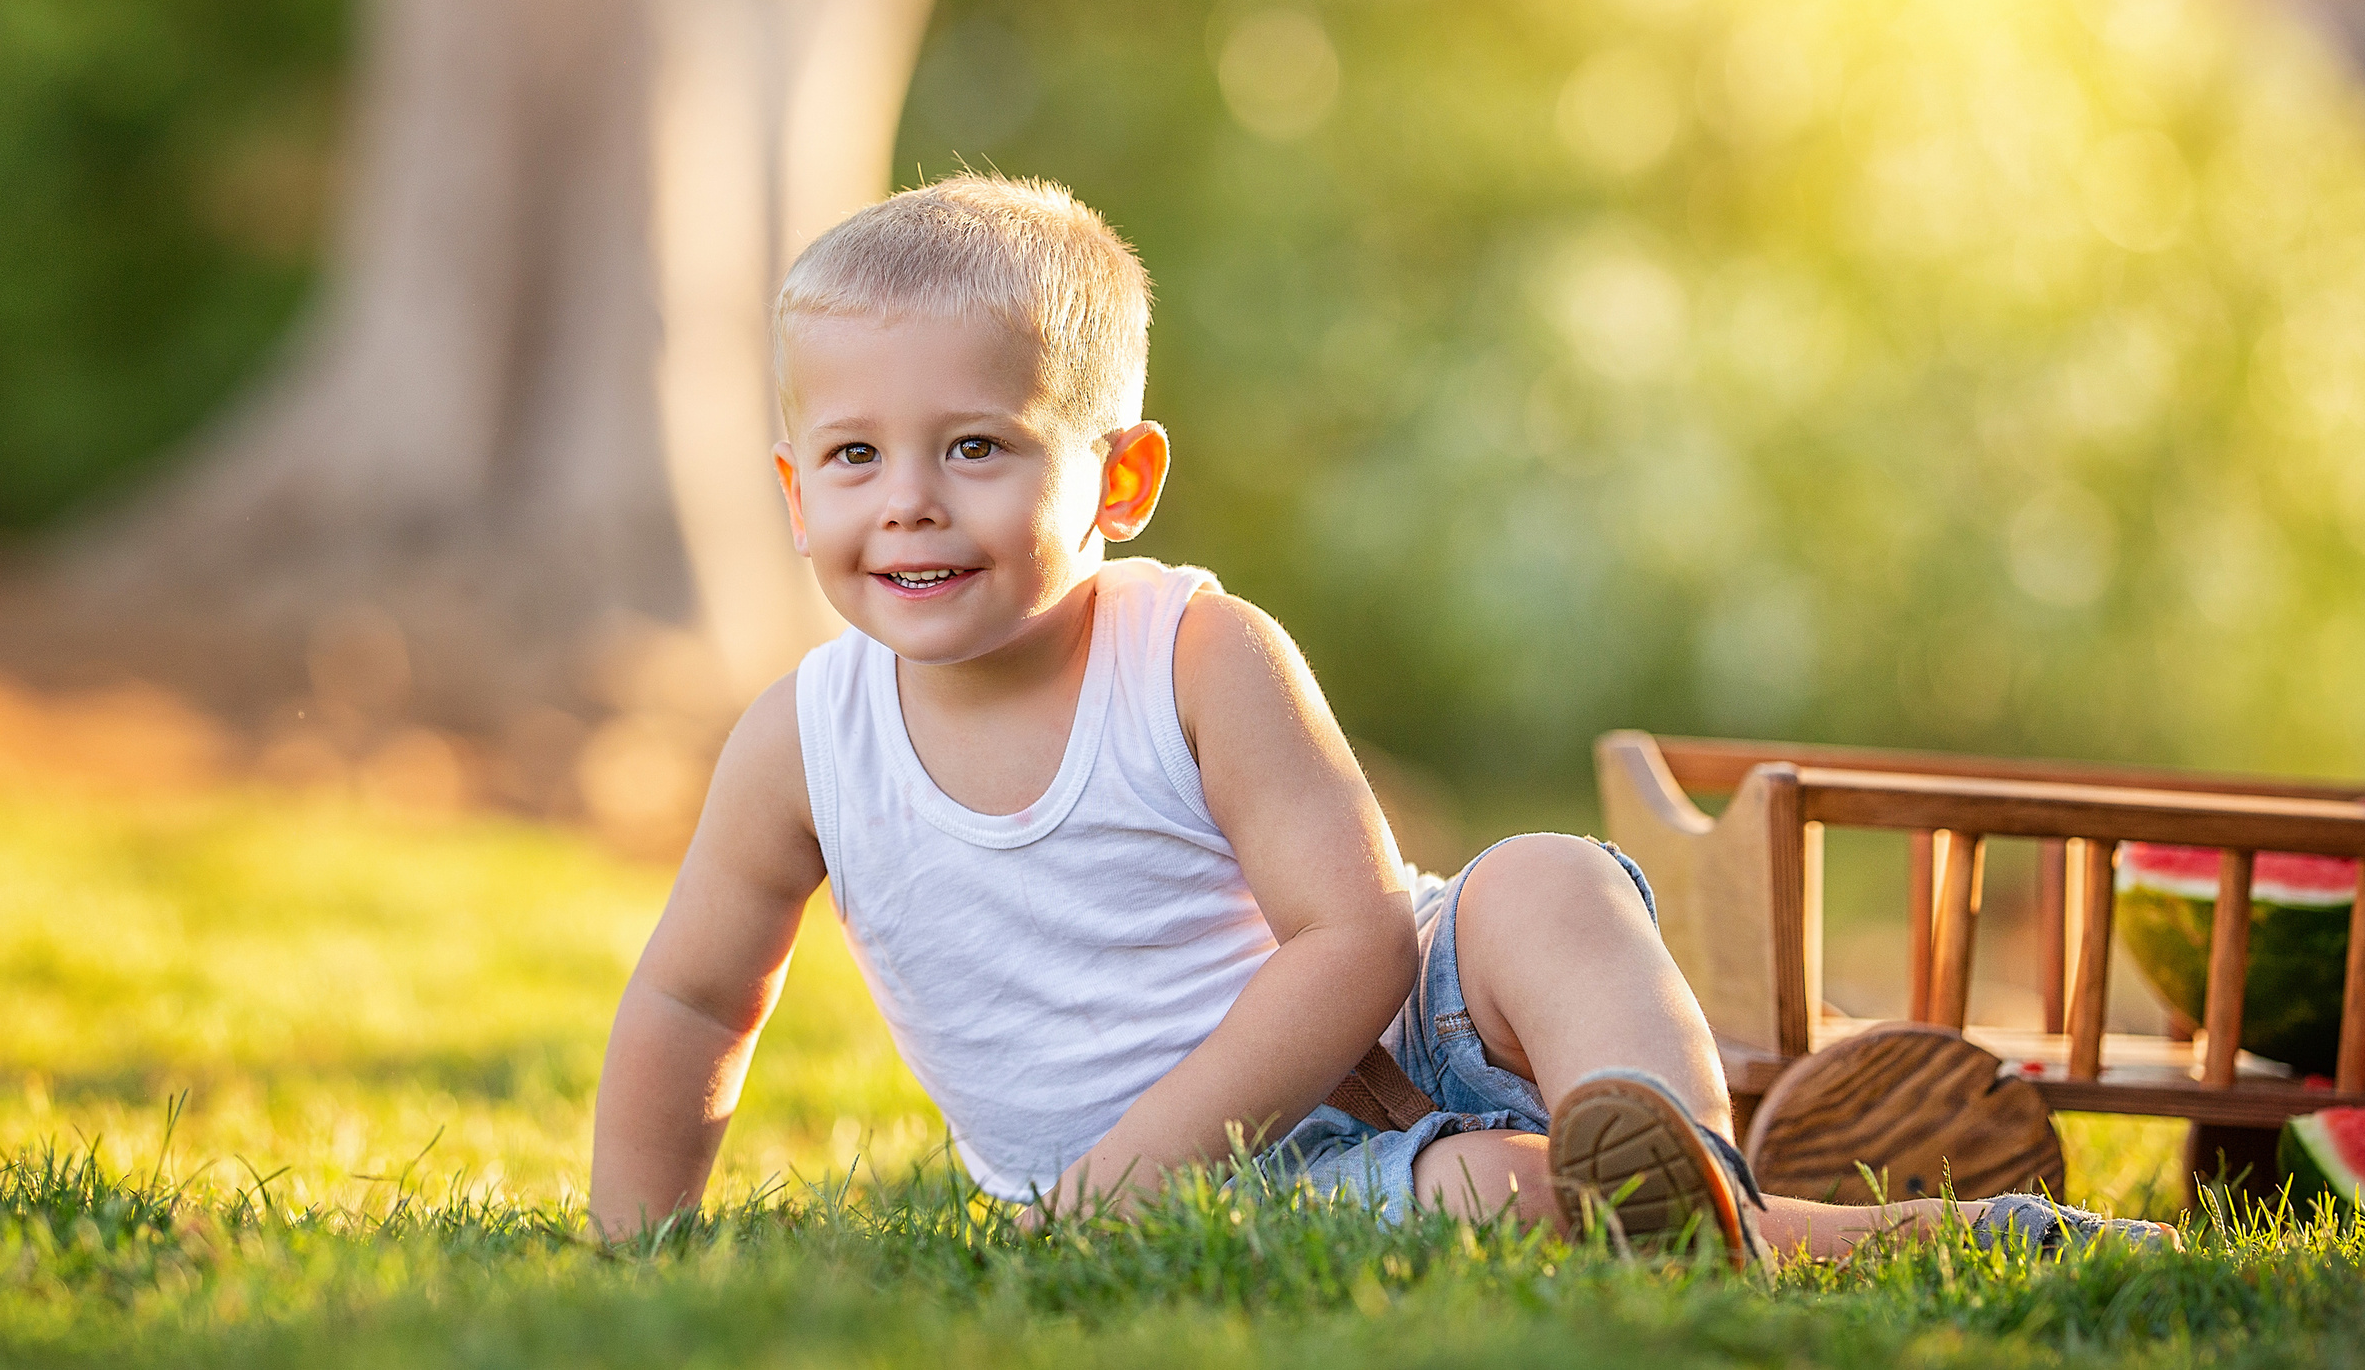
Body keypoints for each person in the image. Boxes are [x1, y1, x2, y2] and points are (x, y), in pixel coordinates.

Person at [588, 174, 2172, 1264]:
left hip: (1419, 1018)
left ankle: (1683, 1161)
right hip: (1230, 1182)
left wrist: (1133, 1162)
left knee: (1547, 878)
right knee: (1493, 1195)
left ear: (1119, 480)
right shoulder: (803, 745)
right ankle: (1899, 1229)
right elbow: (691, 1002)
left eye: (977, 447)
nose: (910, 503)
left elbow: (1352, 940)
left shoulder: (1196, 655)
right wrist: (633, 1244)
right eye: (854, 458)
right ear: (793, 495)